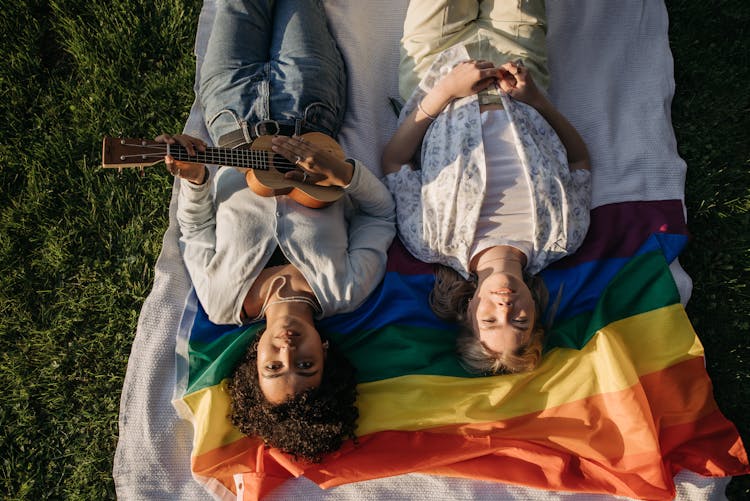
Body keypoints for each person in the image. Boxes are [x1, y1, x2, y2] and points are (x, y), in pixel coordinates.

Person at [158, 0, 396, 462]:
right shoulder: (346, 289)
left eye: (274, 366)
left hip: (227, 117)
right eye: (306, 365)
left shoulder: (223, 301)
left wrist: (195, 179)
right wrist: (343, 174)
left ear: (254, 362)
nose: (289, 351)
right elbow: (381, 216)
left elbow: (195, 228)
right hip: (311, 108)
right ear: (326, 355)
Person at [382, 0, 591, 376]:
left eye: (491, 321)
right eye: (521, 323)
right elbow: (579, 163)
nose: (506, 309)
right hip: (519, 70)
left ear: (468, 311)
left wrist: (446, 89)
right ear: (536, 314)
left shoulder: (430, 242)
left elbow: (395, 162)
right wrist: (537, 100)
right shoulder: (563, 236)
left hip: (436, 70)